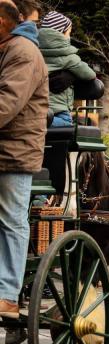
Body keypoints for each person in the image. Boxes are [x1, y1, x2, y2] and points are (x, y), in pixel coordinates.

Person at [0, 1, 49, 318]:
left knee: (12, 221)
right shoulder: (9, 49)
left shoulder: (23, 52)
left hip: (13, 152)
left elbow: (7, 102)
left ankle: (7, 295)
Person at [38, 11, 96, 127]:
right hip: (58, 112)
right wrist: (73, 74)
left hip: (36, 109)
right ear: (61, 34)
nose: (69, 37)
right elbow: (90, 75)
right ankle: (38, 123)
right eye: (68, 33)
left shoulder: (32, 50)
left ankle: (35, 121)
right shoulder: (68, 57)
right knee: (67, 123)